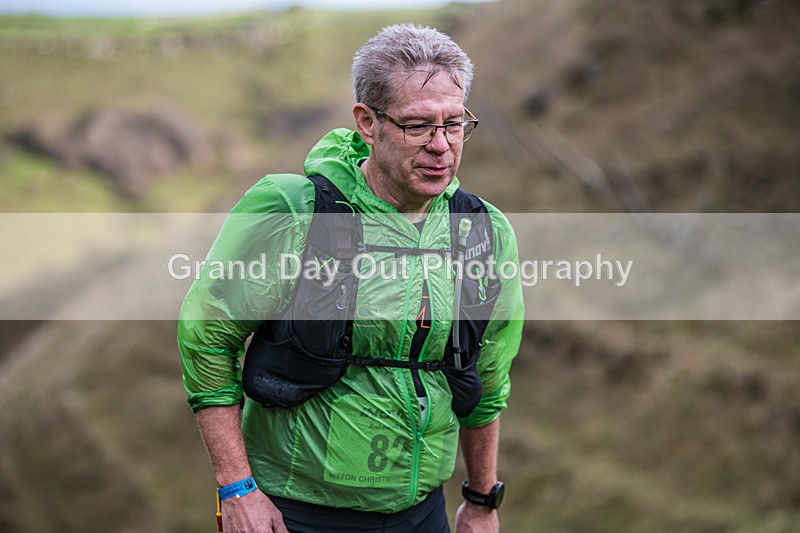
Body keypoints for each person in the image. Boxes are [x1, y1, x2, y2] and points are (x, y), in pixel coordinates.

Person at [178, 23, 523, 533]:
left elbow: (488, 375)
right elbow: (206, 338)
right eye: (416, 126)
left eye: (454, 123)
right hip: (296, 514)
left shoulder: (482, 231)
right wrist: (235, 489)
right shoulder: (294, 211)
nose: (441, 146)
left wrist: (480, 499)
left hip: (423, 512)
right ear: (367, 122)